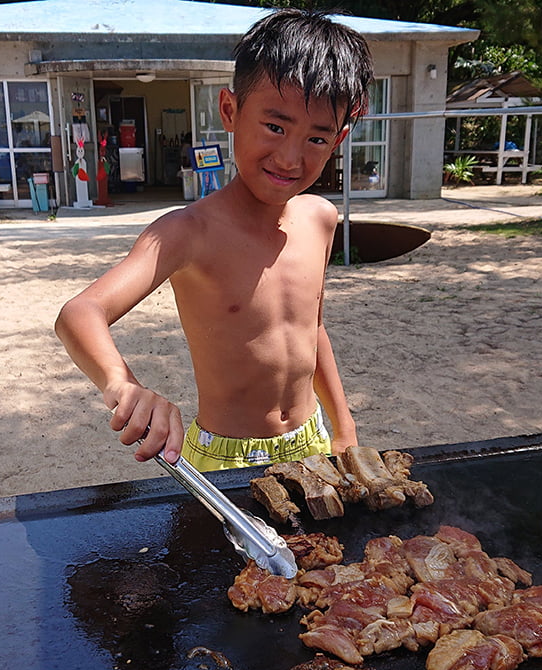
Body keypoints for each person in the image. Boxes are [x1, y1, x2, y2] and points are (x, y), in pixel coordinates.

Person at [55, 8, 372, 471]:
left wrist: (344, 430)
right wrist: (122, 384)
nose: (290, 157)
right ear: (230, 110)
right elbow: (79, 313)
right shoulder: (188, 232)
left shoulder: (321, 218)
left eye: (316, 139)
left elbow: (312, 328)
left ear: (338, 140)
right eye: (275, 126)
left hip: (313, 441)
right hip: (227, 456)